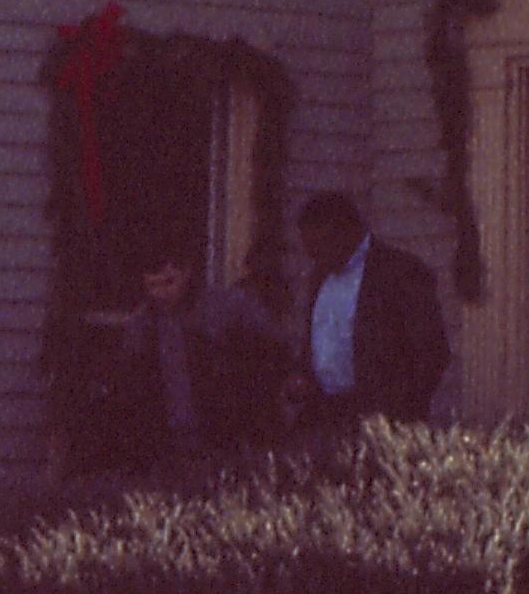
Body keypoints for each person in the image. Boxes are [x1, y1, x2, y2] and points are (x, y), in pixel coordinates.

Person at [118, 237, 291, 460]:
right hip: (168, 441)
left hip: (225, 437)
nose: (161, 293)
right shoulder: (141, 326)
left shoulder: (228, 309)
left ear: (187, 273)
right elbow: (133, 386)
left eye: (169, 282)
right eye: (153, 286)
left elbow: (275, 351)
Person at [288, 192, 449, 425]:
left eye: (319, 247)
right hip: (324, 412)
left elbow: (432, 352)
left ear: (344, 232)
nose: (314, 257)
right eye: (310, 250)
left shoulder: (399, 272)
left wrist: (401, 411)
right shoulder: (320, 277)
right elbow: (319, 341)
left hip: (380, 416)